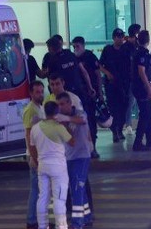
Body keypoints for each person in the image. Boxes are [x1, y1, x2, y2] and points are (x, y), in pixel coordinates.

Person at [30, 101, 75, 229]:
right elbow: (72, 142)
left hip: (42, 166)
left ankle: (42, 226)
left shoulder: (35, 128)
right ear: (56, 113)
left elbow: (32, 147)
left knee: (42, 197)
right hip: (58, 168)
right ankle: (61, 226)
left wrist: (37, 161)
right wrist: (65, 125)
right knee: (59, 199)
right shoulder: (59, 127)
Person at [57, 92, 94, 229]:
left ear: (69, 103)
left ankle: (77, 223)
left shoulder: (79, 113)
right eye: (58, 105)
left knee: (77, 189)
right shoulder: (63, 120)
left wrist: (65, 118)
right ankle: (87, 217)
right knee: (79, 189)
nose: (60, 107)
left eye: (62, 104)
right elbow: (69, 138)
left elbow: (81, 120)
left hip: (82, 156)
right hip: (69, 157)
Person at [72, 36, 100, 158]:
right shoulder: (72, 59)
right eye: (74, 46)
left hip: (91, 94)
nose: (75, 49)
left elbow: (97, 74)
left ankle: (93, 147)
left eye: (77, 46)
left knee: (91, 121)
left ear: (83, 46)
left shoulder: (90, 56)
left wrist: (100, 92)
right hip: (79, 95)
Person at [23, 81, 46, 229]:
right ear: (31, 93)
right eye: (37, 92)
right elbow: (29, 134)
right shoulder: (30, 110)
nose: (40, 94)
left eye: (41, 91)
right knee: (36, 190)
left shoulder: (40, 107)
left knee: (39, 191)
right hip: (34, 155)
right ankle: (31, 221)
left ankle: (35, 220)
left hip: (40, 154)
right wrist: (34, 157)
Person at [99, 28, 128, 143]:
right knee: (113, 109)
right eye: (118, 37)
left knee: (123, 108)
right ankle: (114, 131)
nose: (120, 39)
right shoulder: (107, 50)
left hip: (124, 84)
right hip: (111, 84)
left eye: (122, 36)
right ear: (114, 38)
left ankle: (120, 129)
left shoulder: (125, 50)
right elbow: (100, 65)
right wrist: (107, 73)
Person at [121, 24, 141, 135]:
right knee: (130, 101)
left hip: (137, 79)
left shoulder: (137, 46)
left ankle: (138, 122)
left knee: (137, 102)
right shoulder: (127, 47)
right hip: (130, 79)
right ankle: (128, 124)